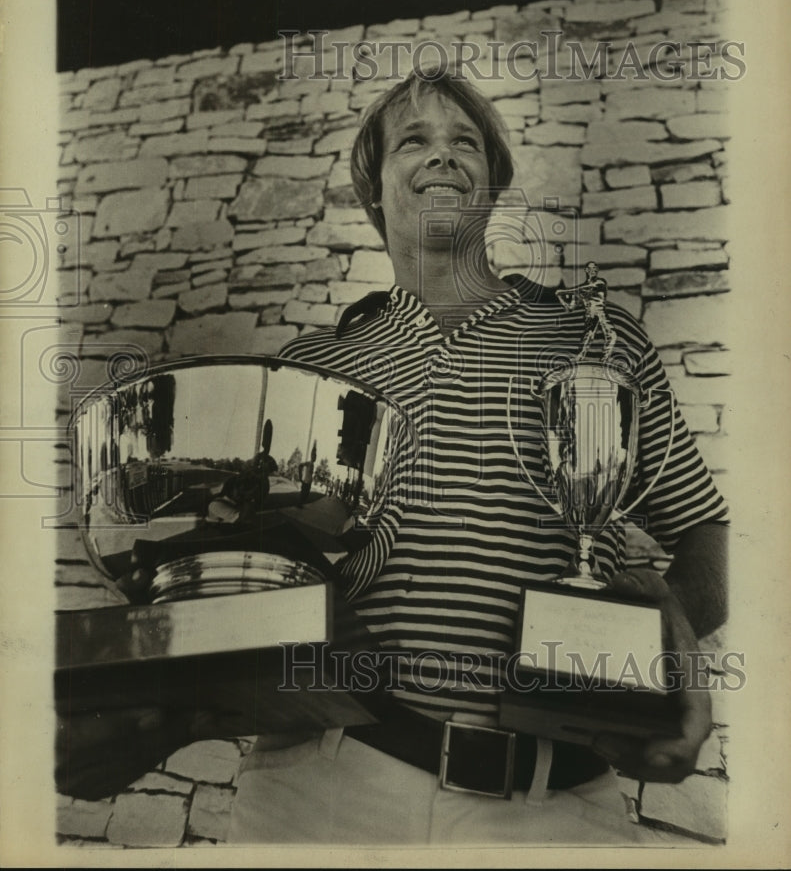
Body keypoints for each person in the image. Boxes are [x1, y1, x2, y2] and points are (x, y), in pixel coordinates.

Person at [226, 71, 729, 845]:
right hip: (329, 786)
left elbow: (704, 535)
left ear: (492, 184)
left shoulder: (595, 341)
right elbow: (268, 570)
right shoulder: (309, 365)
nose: (443, 156)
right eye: (413, 140)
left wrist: (656, 652)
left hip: (557, 808)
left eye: (466, 142)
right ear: (373, 188)